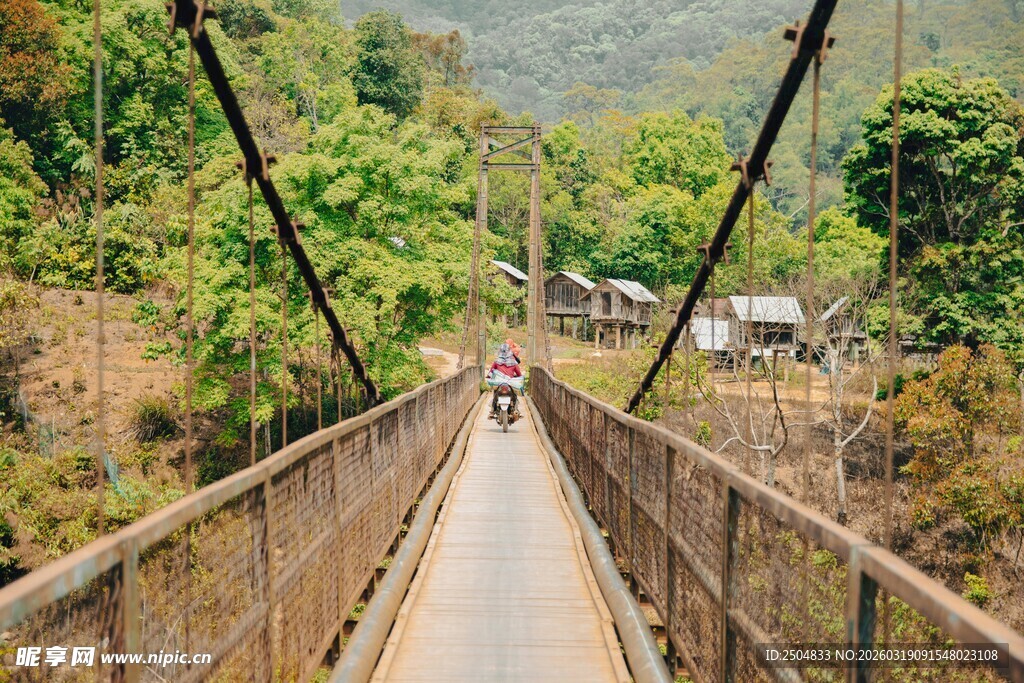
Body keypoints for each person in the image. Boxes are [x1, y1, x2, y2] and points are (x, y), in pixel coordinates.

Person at [488, 343, 522, 417]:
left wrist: (488, 377)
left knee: (495, 392)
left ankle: (492, 410)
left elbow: (491, 372)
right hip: (510, 383)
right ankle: (516, 409)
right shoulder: (513, 362)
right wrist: (517, 376)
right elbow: (519, 374)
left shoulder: (497, 361)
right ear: (509, 352)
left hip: (500, 383)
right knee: (515, 394)